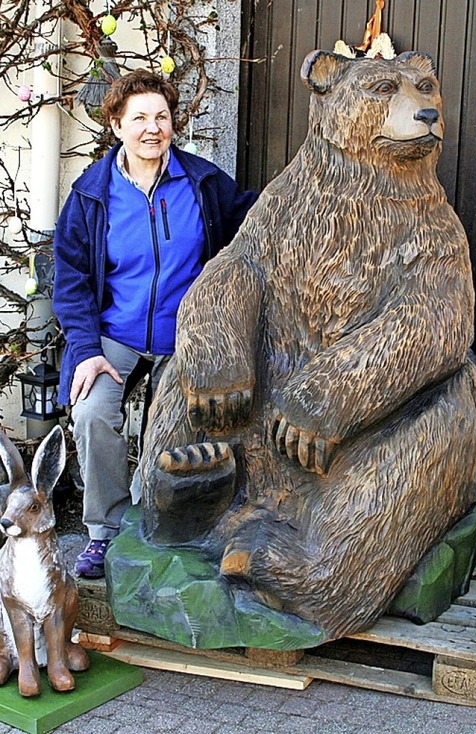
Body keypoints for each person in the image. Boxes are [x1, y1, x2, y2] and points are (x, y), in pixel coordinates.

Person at [53, 69, 257, 578]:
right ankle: (104, 531)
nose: (152, 128)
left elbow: (254, 225)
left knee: (177, 423)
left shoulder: (204, 183)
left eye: (161, 117)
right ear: (117, 125)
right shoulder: (90, 195)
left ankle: (151, 524)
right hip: (113, 334)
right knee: (92, 412)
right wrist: (85, 349)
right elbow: (72, 279)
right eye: (139, 117)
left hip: (185, 337)